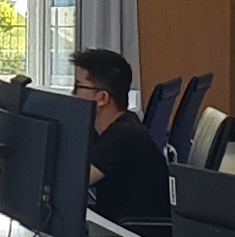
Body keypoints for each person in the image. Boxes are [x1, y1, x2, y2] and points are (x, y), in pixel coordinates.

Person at [69, 47, 172, 223]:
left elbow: (71, 183)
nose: (72, 94)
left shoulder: (123, 136)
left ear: (102, 98)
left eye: (78, 87)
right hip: (120, 225)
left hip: (136, 233)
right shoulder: (120, 124)